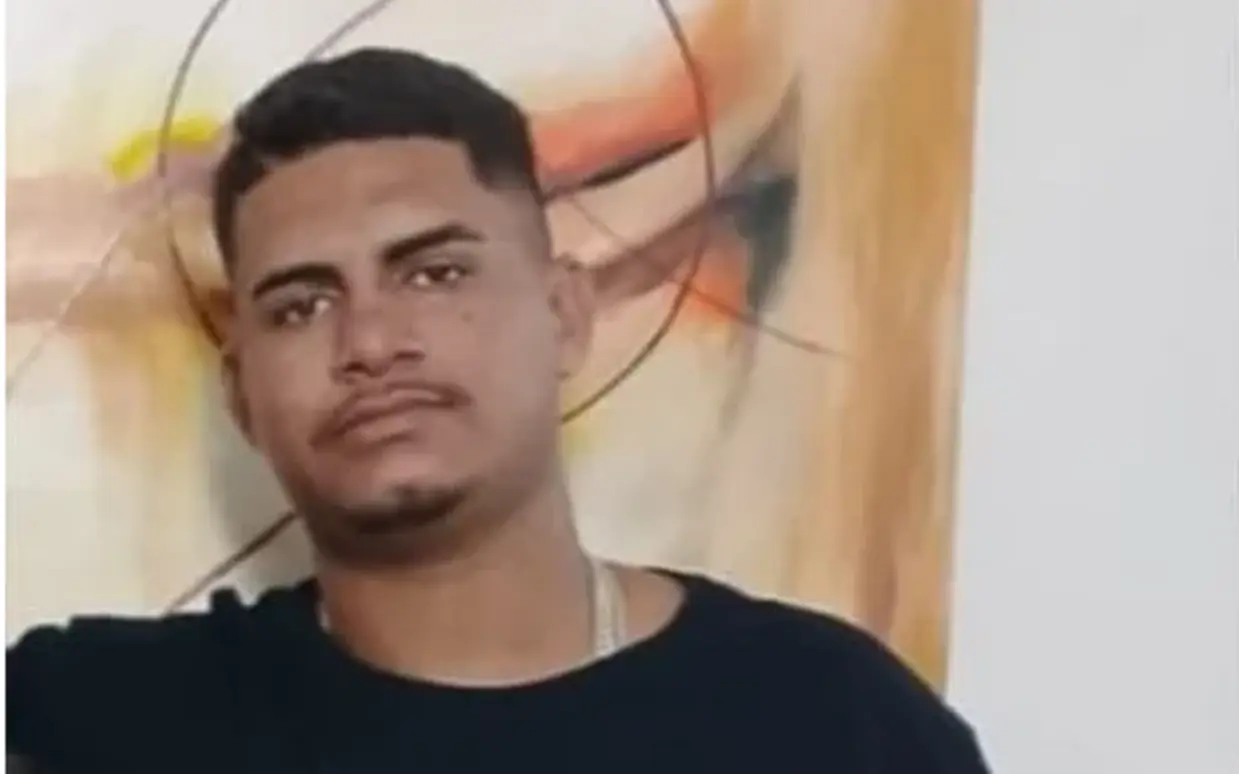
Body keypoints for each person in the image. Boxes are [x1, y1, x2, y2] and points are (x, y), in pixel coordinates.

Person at [6, 48, 990, 773]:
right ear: (242, 396)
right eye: (302, 304)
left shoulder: (827, 722)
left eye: (434, 273)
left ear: (564, 316)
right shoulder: (95, 723)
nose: (370, 341)